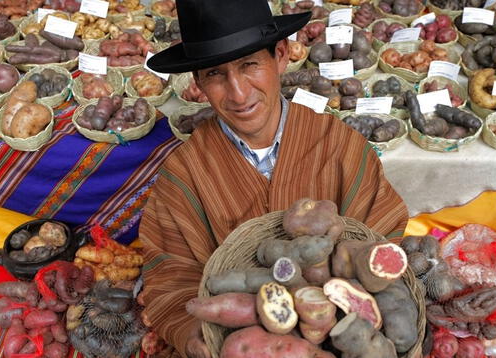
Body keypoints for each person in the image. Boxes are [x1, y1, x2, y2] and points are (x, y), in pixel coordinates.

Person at [141, 0, 409, 356]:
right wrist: (193, 333)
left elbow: (380, 235)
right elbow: (170, 274)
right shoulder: (184, 173)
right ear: (198, 82)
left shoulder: (341, 146)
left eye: (249, 65)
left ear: (280, 55)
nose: (238, 94)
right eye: (216, 74)